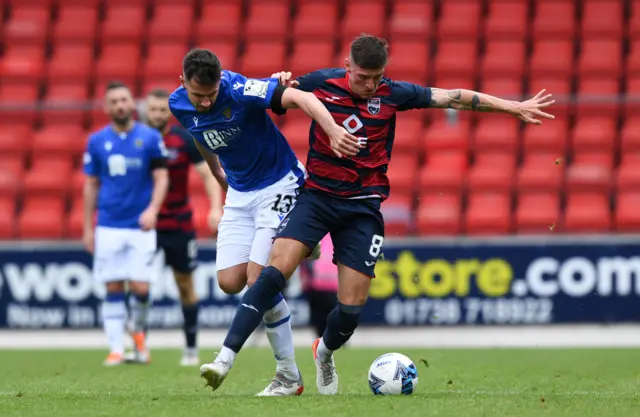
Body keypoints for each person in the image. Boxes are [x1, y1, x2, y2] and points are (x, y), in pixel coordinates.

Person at [201, 33, 556, 395]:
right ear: (347, 67)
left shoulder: (392, 92)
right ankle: (226, 358)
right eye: (362, 77)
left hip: (363, 207)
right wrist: (276, 80)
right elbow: (272, 94)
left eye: (376, 77)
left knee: (350, 313)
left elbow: (453, 97)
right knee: (272, 273)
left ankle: (323, 352)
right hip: (316, 198)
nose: (370, 85)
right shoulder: (319, 84)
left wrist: (511, 107)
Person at [168, 49, 358, 396]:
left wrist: (331, 129)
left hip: (278, 184)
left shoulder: (239, 89)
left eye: (211, 95)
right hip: (240, 195)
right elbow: (199, 133)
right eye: (199, 96)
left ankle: (287, 374)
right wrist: (215, 171)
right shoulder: (178, 104)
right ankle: (300, 240)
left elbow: (300, 97)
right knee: (229, 281)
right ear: (183, 84)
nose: (207, 102)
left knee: (259, 279)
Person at [83, 81, 169, 366]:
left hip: (140, 225)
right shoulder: (96, 141)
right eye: (114, 101)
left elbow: (161, 178)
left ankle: (140, 335)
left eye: (124, 100)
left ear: (133, 104)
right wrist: (87, 226)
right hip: (108, 224)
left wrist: (153, 210)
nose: (120, 105)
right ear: (107, 107)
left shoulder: (150, 137)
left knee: (142, 288)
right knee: (113, 287)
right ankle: (116, 348)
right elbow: (91, 184)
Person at [136, 88, 223, 366]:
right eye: (154, 109)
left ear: (169, 112)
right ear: (146, 112)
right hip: (145, 225)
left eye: (163, 109)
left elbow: (209, 174)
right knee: (139, 287)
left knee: (185, 285)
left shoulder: (182, 139)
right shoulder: (137, 140)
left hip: (178, 224)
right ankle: (140, 348)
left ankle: (190, 349)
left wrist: (215, 207)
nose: (158, 114)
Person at [299, 235, 338, 339]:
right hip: (317, 284)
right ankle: (324, 340)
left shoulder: (335, 235)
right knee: (320, 315)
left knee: (329, 315)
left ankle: (331, 339)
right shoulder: (319, 235)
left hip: (330, 285)